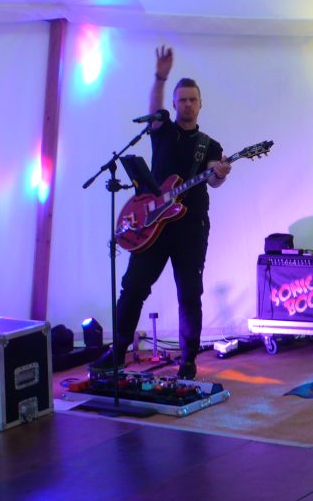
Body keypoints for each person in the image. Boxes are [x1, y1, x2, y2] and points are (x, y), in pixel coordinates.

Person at [92, 45, 232, 379]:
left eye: (192, 99)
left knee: (189, 293)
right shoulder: (164, 131)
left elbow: (214, 183)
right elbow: (152, 108)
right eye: (182, 99)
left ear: (200, 104)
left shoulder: (210, 146)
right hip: (153, 225)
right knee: (133, 286)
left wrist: (220, 173)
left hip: (191, 228)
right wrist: (160, 76)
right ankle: (119, 350)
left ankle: (188, 360)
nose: (187, 104)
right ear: (174, 103)